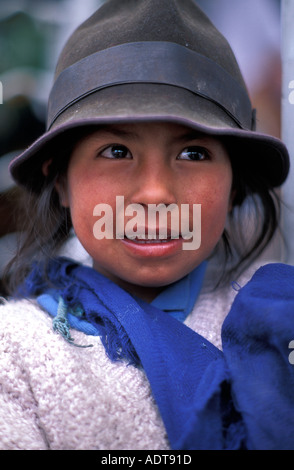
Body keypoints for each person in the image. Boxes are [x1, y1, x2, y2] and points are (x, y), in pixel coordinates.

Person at [0, 0, 291, 450]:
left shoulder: (278, 322)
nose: (154, 194)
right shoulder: (14, 353)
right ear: (61, 182)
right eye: (116, 151)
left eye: (193, 153)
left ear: (235, 184)